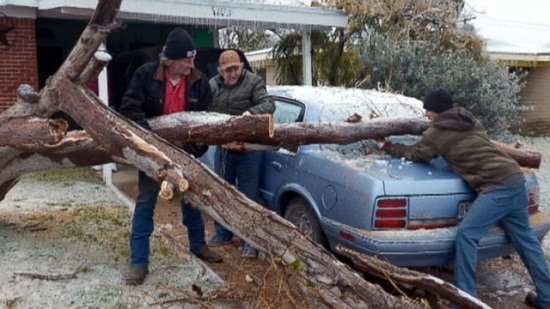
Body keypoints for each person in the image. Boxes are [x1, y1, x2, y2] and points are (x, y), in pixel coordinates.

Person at [381, 88, 550, 308]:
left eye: (428, 112)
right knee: (526, 240)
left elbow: (417, 154)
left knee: (467, 235)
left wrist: (389, 146)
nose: (426, 117)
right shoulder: (470, 121)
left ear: (436, 111)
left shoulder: (437, 132)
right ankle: (547, 297)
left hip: (497, 186)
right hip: (515, 178)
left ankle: (465, 299)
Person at [119, 27, 222, 285]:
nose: (191, 63)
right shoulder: (145, 75)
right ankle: (139, 263)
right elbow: (130, 109)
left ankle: (198, 244)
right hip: (152, 153)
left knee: (192, 201)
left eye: (193, 57)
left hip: (185, 153)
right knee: (145, 203)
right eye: (186, 59)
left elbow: (205, 124)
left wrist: (192, 151)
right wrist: (152, 144)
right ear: (170, 59)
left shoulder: (199, 82)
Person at [207, 49, 275, 258]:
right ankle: (223, 233)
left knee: (248, 196)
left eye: (236, 69)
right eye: (228, 70)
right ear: (220, 71)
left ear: (242, 67)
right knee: (222, 191)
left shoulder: (254, 82)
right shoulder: (212, 85)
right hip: (225, 149)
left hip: (249, 151)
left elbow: (269, 104)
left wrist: (250, 113)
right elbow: (204, 107)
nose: (233, 73)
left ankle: (250, 241)